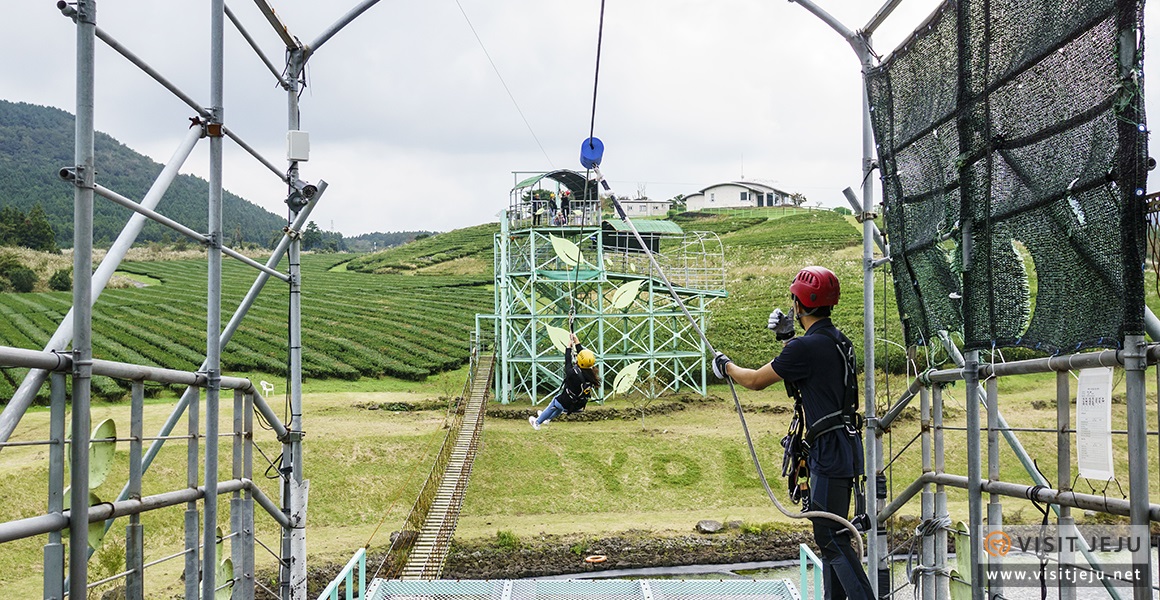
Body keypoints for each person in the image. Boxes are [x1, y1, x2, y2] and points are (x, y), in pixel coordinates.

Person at [712, 266, 873, 600]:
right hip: (845, 446)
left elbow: (755, 380)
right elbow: (811, 379)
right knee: (834, 535)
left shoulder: (805, 349)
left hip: (829, 451)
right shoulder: (838, 341)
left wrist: (725, 366)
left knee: (830, 538)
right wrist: (789, 340)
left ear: (799, 305)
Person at [530, 332, 599, 430]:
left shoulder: (574, 374)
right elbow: (584, 357)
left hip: (568, 402)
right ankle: (547, 418)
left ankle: (537, 422)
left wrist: (568, 347)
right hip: (578, 404)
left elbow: (568, 362)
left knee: (555, 402)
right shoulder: (592, 373)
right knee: (559, 405)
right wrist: (576, 341)